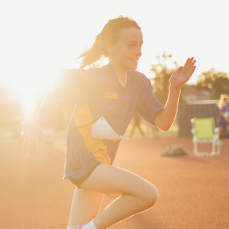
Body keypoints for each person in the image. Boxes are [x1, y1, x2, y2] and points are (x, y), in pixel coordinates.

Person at [18, 16, 196, 229]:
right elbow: (46, 81)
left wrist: (175, 89)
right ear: (110, 48)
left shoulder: (140, 83)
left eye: (140, 45)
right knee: (148, 194)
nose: (139, 51)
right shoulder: (95, 78)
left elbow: (164, 123)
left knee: (76, 227)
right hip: (83, 162)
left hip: (102, 164)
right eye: (131, 45)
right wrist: (30, 121)